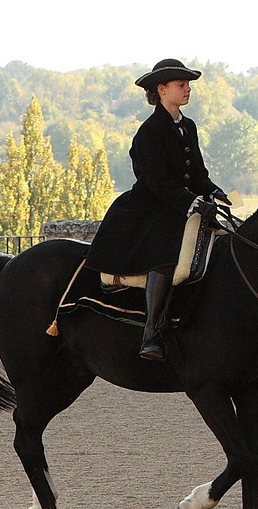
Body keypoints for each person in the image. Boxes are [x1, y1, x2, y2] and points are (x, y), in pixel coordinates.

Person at [85, 59, 230, 361]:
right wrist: (191, 202)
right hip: (151, 207)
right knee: (165, 252)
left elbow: (198, 174)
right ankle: (151, 333)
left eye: (188, 85)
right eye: (182, 85)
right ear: (162, 90)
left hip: (183, 203)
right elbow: (157, 182)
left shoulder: (187, 126)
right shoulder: (148, 132)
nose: (188, 89)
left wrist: (214, 192)